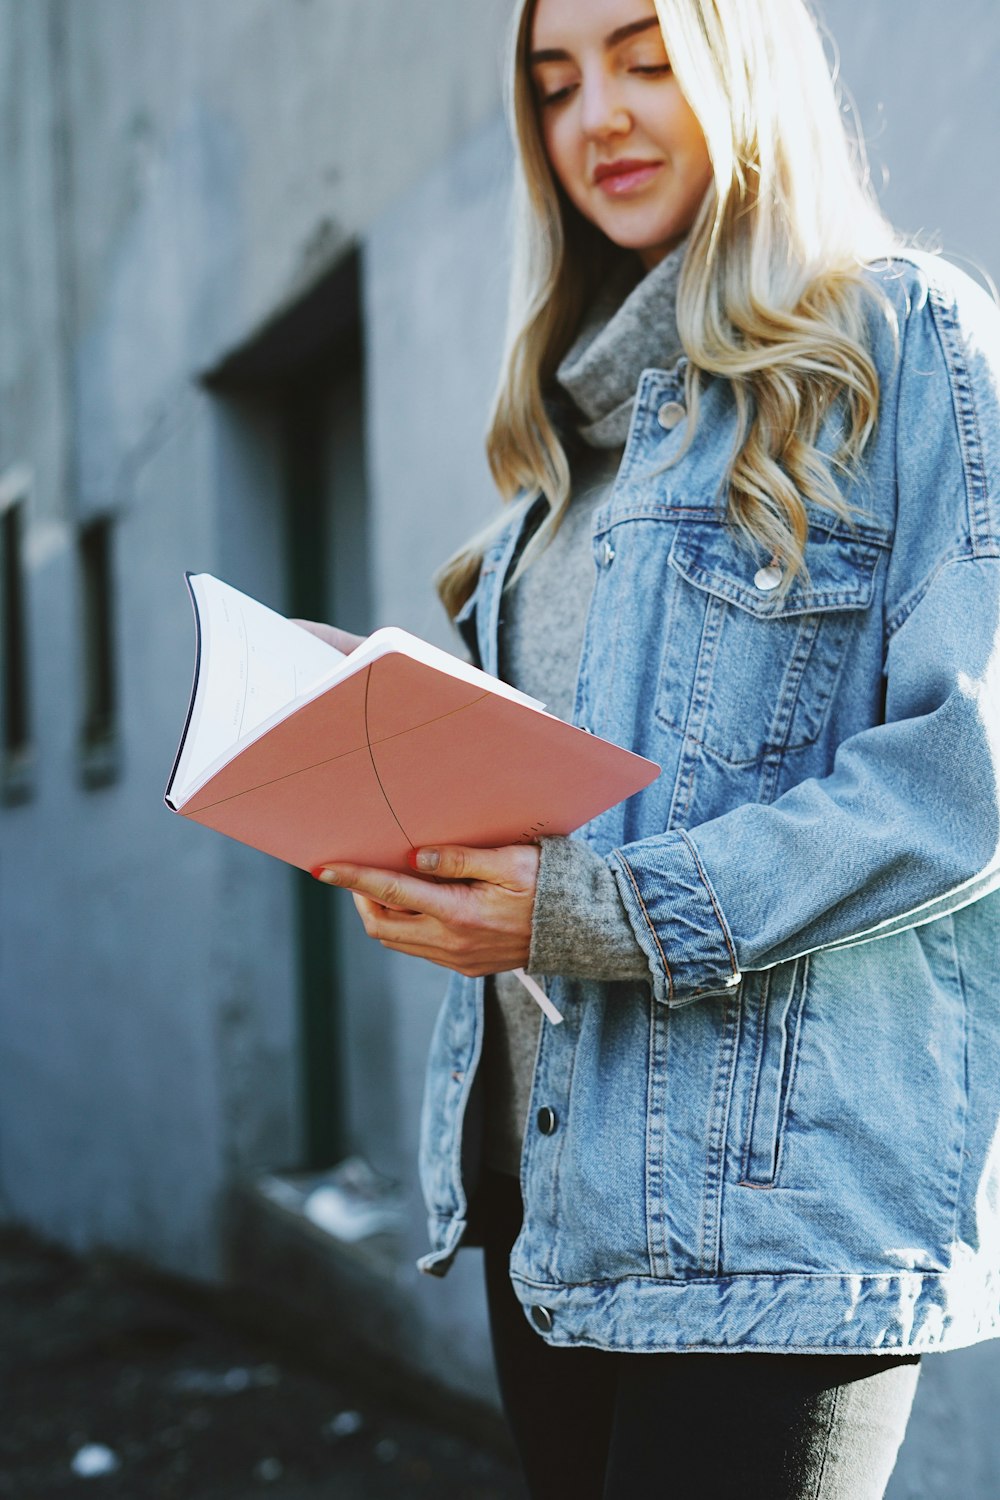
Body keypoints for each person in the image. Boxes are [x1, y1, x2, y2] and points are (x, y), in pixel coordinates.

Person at [311, 0, 1000, 1494]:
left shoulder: (899, 341)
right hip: (539, 1205)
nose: (596, 120)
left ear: (742, 59)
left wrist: (590, 912)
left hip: (765, 1226)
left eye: (642, 57)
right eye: (556, 87)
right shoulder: (559, 463)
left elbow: (964, 775)